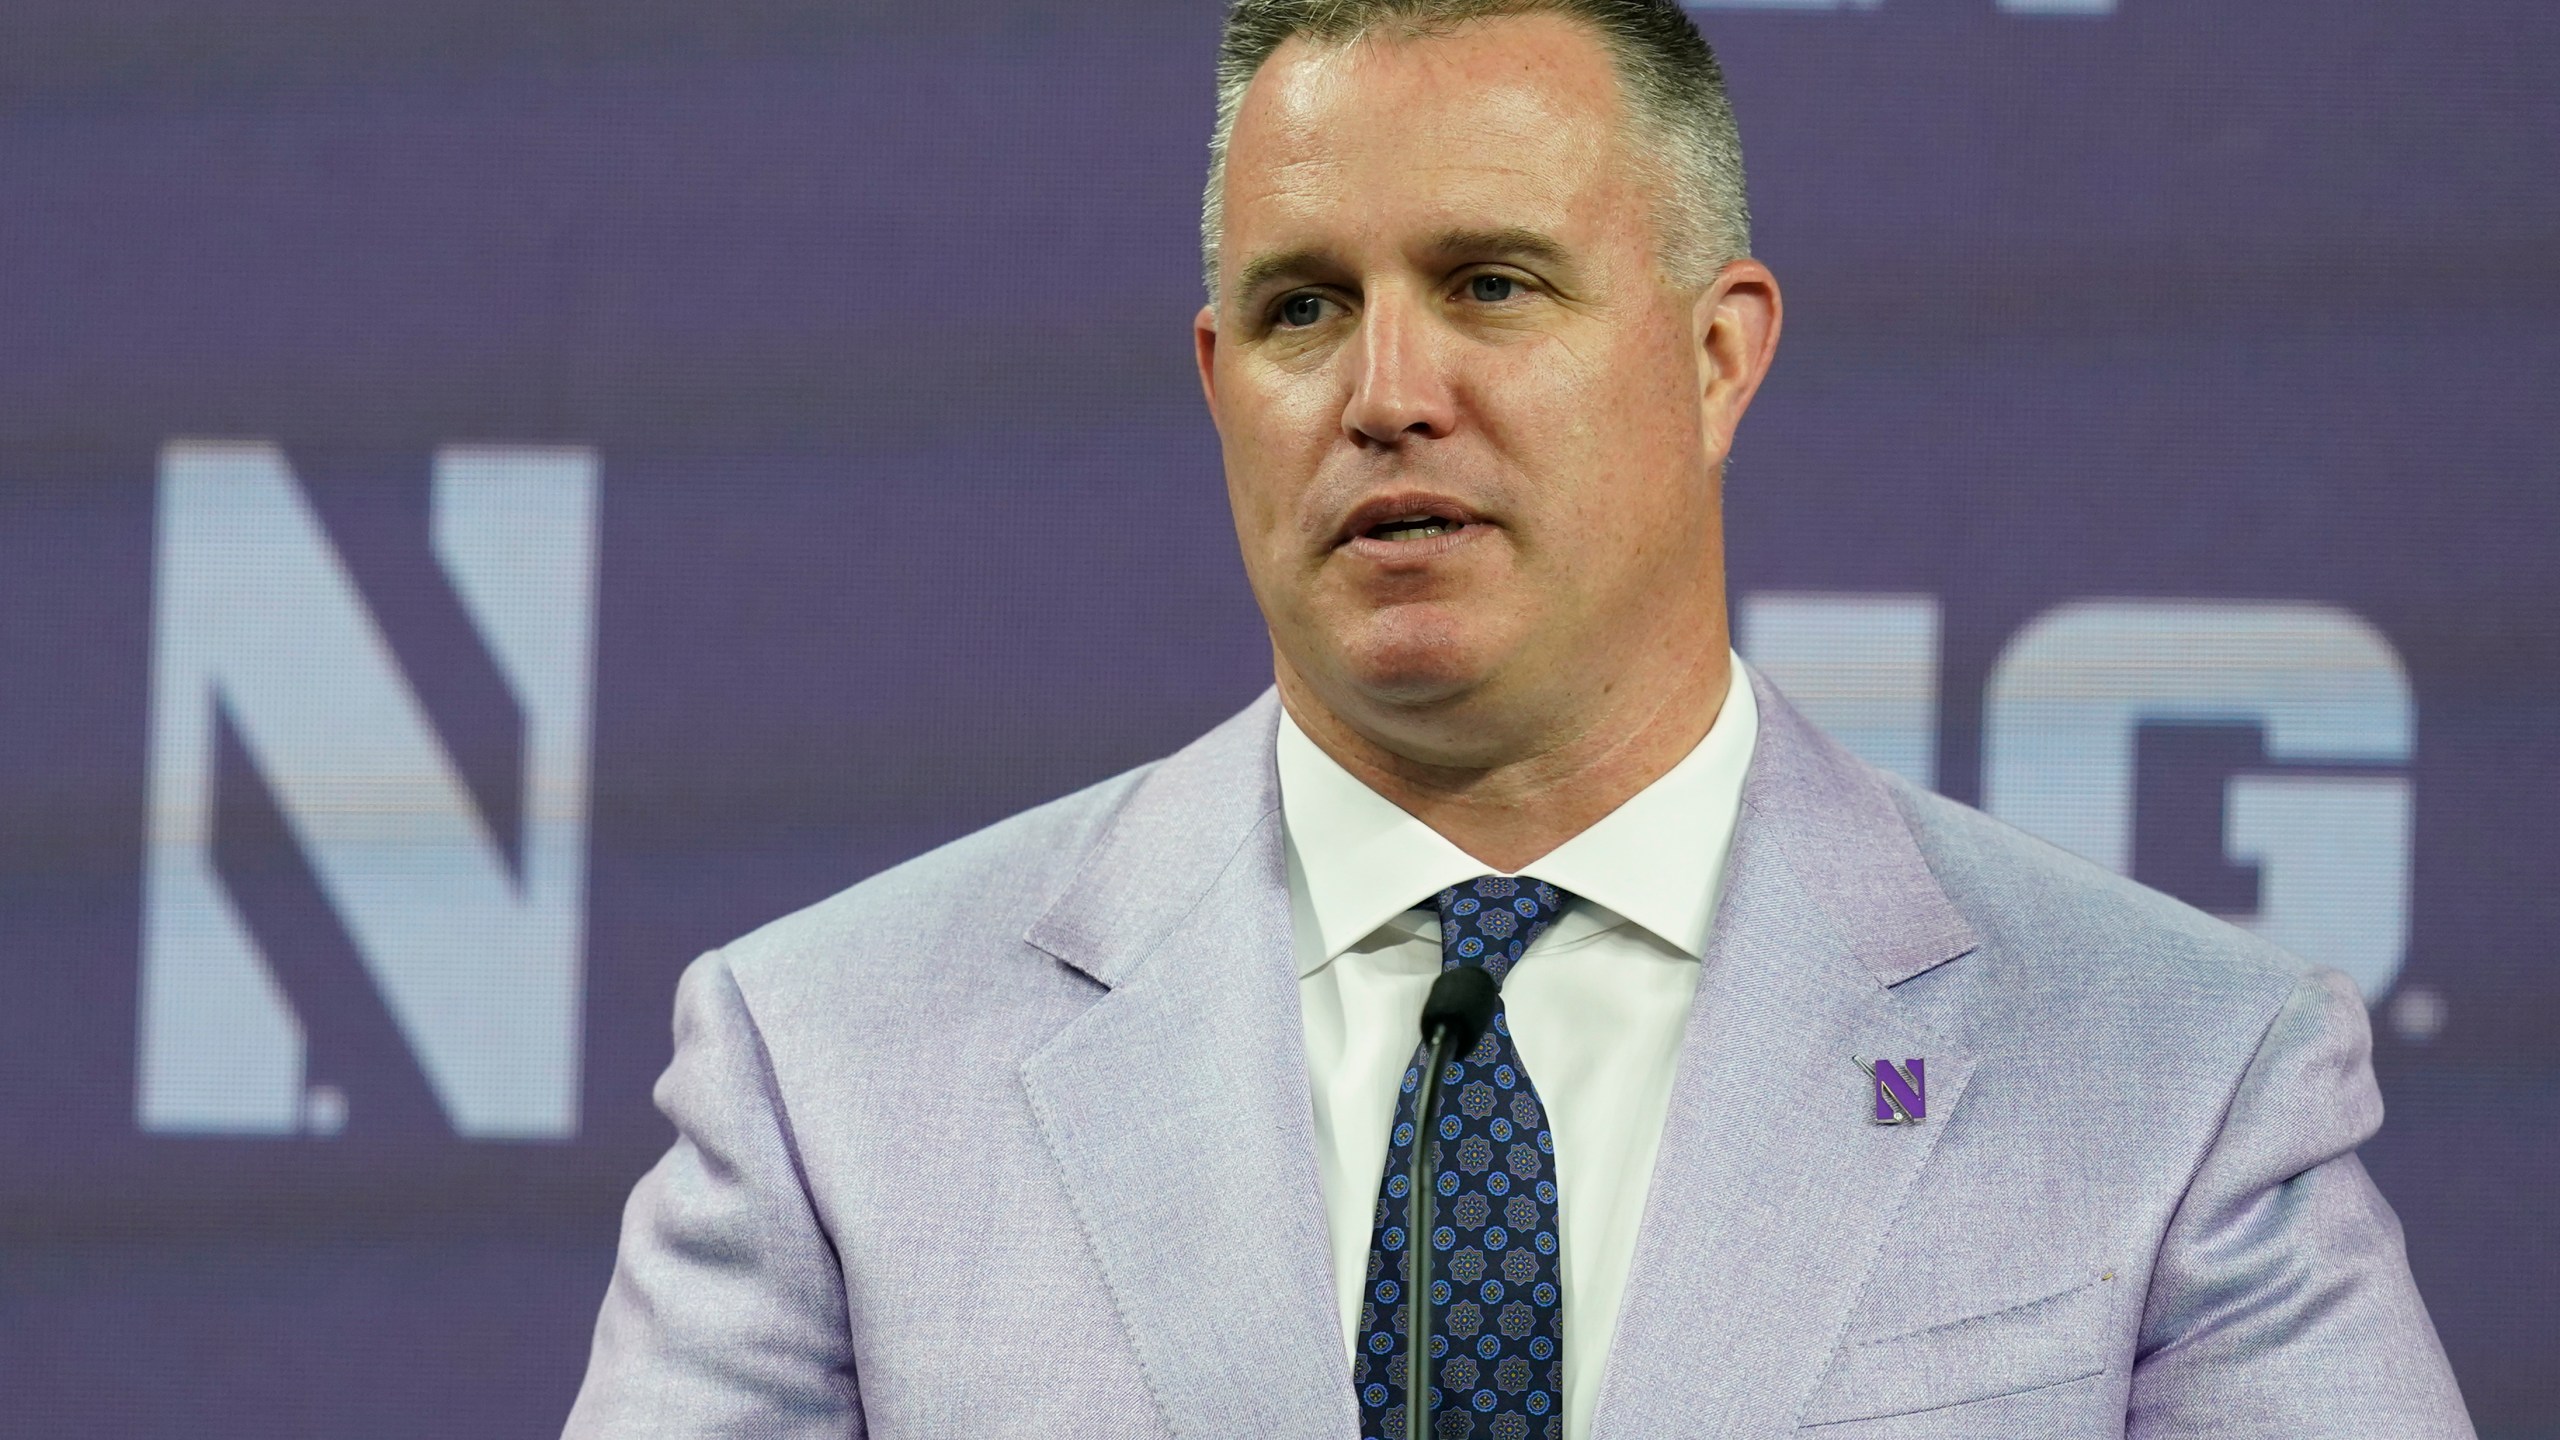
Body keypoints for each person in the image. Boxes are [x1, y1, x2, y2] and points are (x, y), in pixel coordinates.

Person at [563, 0, 2473, 1434]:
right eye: (1307, 309)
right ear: (1220, 382)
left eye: (1491, 284)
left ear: (1717, 354)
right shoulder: (833, 1075)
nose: (1389, 391)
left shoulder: (2167, 1079)